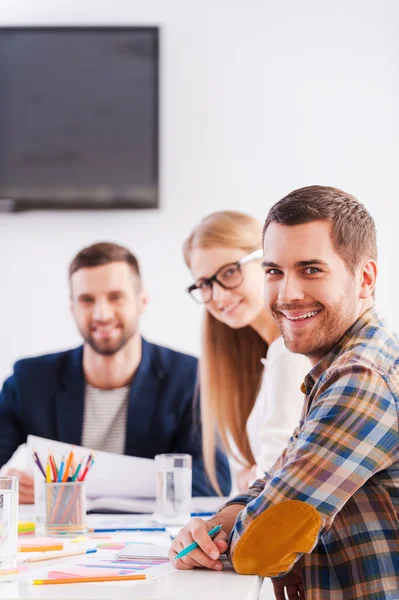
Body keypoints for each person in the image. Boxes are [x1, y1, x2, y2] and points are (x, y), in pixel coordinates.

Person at [170, 186, 399, 600]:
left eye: (311, 269)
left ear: (364, 278)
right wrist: (221, 523)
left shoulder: (361, 377)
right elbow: (276, 481)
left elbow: (261, 547)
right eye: (275, 271)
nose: (287, 294)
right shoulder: (333, 370)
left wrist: (207, 541)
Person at [0, 242, 231, 503]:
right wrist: (8, 484)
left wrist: (67, 490)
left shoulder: (191, 378)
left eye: (115, 297)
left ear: (141, 301)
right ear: (72, 308)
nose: (102, 314)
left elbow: (214, 482)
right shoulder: (29, 380)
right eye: (87, 300)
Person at [183, 211, 309, 493]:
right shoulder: (266, 356)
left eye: (229, 272)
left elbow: (276, 485)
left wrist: (254, 481)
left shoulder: (292, 353)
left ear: (268, 261)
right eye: (205, 284)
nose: (218, 296)